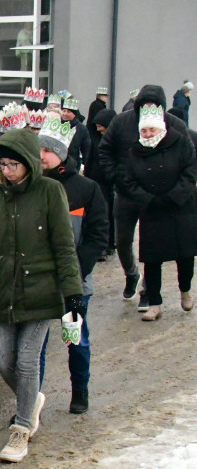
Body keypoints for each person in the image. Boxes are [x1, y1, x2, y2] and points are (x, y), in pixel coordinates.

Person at [0, 128, 82, 462]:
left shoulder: (50, 191)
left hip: (40, 293)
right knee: (7, 361)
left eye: (13, 164)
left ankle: (21, 428)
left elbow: (65, 247)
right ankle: (33, 399)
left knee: (26, 360)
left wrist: (74, 298)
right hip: (1, 293)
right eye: (2, 165)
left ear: (29, 163)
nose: (7, 171)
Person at [97, 84, 193, 308]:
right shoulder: (122, 122)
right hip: (127, 192)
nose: (149, 108)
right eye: (145, 104)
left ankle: (149, 292)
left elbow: (188, 156)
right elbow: (105, 150)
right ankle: (131, 273)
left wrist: (173, 193)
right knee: (122, 240)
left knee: (154, 246)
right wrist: (117, 177)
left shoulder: (175, 124)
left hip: (160, 197)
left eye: (154, 105)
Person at [38, 117, 109, 412]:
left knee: (74, 338)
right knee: (35, 346)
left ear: (62, 153)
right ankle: (30, 400)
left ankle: (80, 390)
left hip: (73, 284)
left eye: (47, 150)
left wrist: (76, 270)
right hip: (38, 283)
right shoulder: (32, 186)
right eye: (38, 149)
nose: (41, 156)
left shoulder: (86, 189)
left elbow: (97, 234)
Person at [123, 104, 197, 321]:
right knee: (152, 260)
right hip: (152, 210)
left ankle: (185, 290)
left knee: (184, 255)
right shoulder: (135, 151)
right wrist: (148, 199)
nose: (148, 134)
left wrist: (174, 196)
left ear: (161, 129)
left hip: (180, 208)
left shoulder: (181, 143)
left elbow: (190, 172)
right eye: (144, 130)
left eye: (152, 130)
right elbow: (129, 181)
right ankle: (155, 303)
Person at [85, 108, 118, 258]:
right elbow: (90, 159)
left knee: (107, 214)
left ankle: (108, 243)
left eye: (101, 126)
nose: (98, 129)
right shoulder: (95, 139)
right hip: (94, 180)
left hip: (107, 183)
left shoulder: (114, 141)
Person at [60, 97, 91, 169]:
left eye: (68, 112)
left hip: (73, 164)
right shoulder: (57, 125)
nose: (65, 114)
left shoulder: (81, 128)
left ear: (74, 114)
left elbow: (86, 149)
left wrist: (86, 165)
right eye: (64, 111)